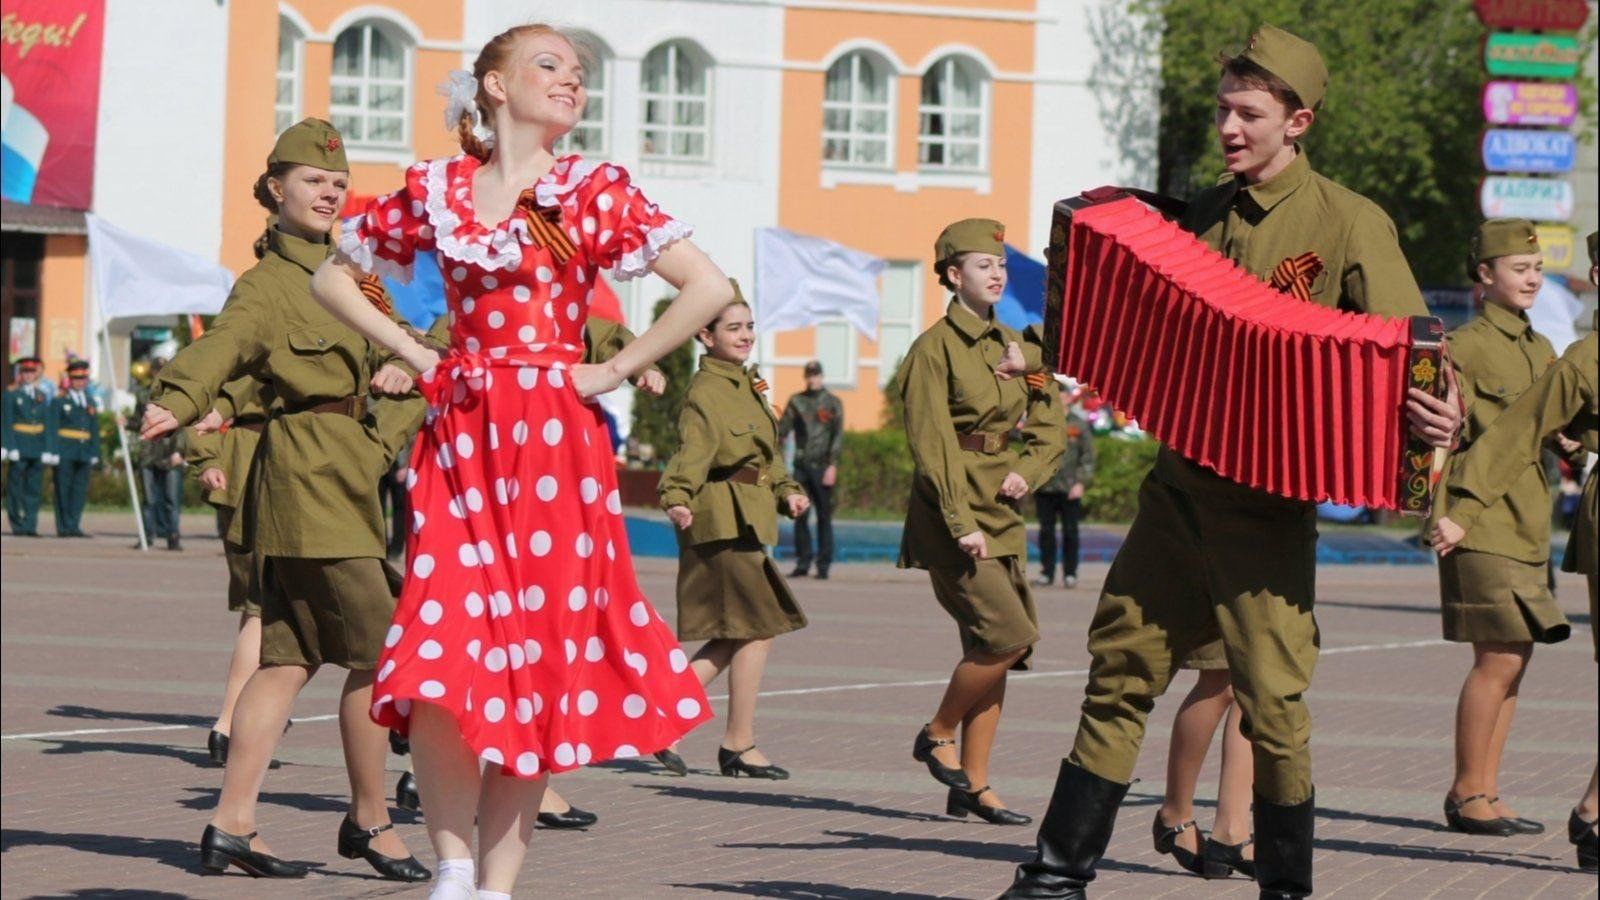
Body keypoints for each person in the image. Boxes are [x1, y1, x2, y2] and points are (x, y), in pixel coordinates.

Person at [1001, 25, 1462, 900]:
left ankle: (1285, 889)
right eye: (1222, 110)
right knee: (1118, 669)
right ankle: (1054, 879)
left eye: (1249, 113)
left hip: (1266, 505)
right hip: (1177, 488)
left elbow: (1420, 354)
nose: (1228, 128)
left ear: (1300, 122)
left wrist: (1447, 410)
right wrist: (1058, 330)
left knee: (1274, 702)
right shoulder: (1201, 212)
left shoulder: (1350, 221)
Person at [308, 24, 736, 900]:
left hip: (554, 441)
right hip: (462, 438)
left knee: (534, 661)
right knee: (437, 651)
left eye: (579, 73)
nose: (571, 81)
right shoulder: (437, 189)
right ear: (494, 86)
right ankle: (452, 867)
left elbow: (708, 285)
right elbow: (331, 276)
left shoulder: (590, 189)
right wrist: (420, 355)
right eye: (550, 65)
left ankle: (496, 885)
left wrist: (613, 368)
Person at [139, 118, 430, 882]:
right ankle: (370, 819)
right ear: (275, 188)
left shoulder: (355, 276)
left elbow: (414, 353)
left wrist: (402, 390)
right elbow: (224, 345)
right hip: (305, 482)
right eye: (312, 180)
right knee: (383, 652)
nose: (330, 191)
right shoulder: (269, 284)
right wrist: (177, 394)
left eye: (338, 183)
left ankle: (231, 823)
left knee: (287, 658)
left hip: (342, 473)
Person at [1433, 230, 1599, 873]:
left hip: (1527, 519)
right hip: (1484, 521)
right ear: (1483, 273)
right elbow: (1472, 435)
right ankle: (1471, 792)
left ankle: (1487, 790)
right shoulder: (1466, 347)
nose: (1532, 277)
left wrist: (1571, 439)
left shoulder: (1542, 348)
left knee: (1513, 656)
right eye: (1519, 267)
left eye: (1538, 268)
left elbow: (1545, 427)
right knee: (1499, 655)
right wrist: (1452, 511)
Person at [900, 218, 1065, 827]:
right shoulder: (932, 351)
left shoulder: (1014, 344)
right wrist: (958, 520)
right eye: (980, 265)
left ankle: (973, 785)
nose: (996, 273)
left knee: (990, 648)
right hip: (957, 517)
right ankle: (937, 732)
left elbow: (1049, 418)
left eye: (999, 265)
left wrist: (1030, 467)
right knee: (1009, 635)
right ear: (951, 274)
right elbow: (933, 445)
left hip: (1001, 511)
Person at [654, 285, 810, 779]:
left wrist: (788, 489)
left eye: (748, 326)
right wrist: (676, 497)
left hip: (748, 516)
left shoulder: (748, 384)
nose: (745, 336)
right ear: (705, 335)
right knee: (758, 626)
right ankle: (737, 743)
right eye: (733, 328)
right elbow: (691, 453)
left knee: (732, 636)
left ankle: (661, 718)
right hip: (719, 520)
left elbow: (766, 456)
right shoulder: (706, 392)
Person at [183, 373, 270, 764]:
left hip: (245, 458)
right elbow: (198, 393)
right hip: (268, 459)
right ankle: (236, 720)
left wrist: (208, 458)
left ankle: (236, 719)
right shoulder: (266, 325)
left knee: (260, 603)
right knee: (266, 604)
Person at [778, 359, 843, 579]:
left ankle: (823, 565)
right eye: (810, 375)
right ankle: (803, 562)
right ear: (806, 377)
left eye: (816, 375)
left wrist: (832, 465)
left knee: (824, 516)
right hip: (802, 466)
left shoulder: (833, 403)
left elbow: (837, 436)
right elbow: (783, 429)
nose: (813, 379)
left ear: (821, 377)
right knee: (800, 515)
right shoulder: (797, 401)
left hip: (822, 466)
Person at [1033, 384, 1094, 589]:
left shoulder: (1079, 424)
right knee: (1046, 532)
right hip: (1045, 486)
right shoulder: (1042, 422)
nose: (1058, 399)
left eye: (1062, 396)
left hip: (1070, 488)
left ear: (1069, 398)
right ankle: (1047, 573)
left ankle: (1070, 573)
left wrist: (1080, 482)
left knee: (1070, 532)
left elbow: (1087, 457)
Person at [133, 358, 187, 550]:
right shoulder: (142, 395)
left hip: (171, 451)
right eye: (157, 370)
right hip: (149, 452)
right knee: (149, 499)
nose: (160, 373)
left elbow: (183, 425)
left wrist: (180, 451)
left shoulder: (178, 395)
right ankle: (146, 535)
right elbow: (137, 422)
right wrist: (125, 422)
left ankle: (173, 536)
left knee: (171, 499)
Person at [47, 359, 100, 538]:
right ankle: (63, 527)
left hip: (83, 451)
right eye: (77, 378)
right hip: (64, 450)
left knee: (79, 490)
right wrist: (52, 451)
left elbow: (94, 428)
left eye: (83, 378)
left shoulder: (91, 401)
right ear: (70, 379)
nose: (80, 382)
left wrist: (95, 452)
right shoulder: (60, 400)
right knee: (63, 489)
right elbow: (52, 427)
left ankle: (74, 525)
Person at [3, 356, 53, 536]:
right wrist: (8, 446)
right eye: (25, 372)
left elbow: (47, 423)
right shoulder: (11, 395)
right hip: (19, 445)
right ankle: (17, 524)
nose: (28, 375)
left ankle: (30, 525)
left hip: (37, 446)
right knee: (15, 488)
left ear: (36, 374)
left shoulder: (42, 395)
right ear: (20, 374)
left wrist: (48, 448)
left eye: (32, 372)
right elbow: (7, 420)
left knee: (33, 489)